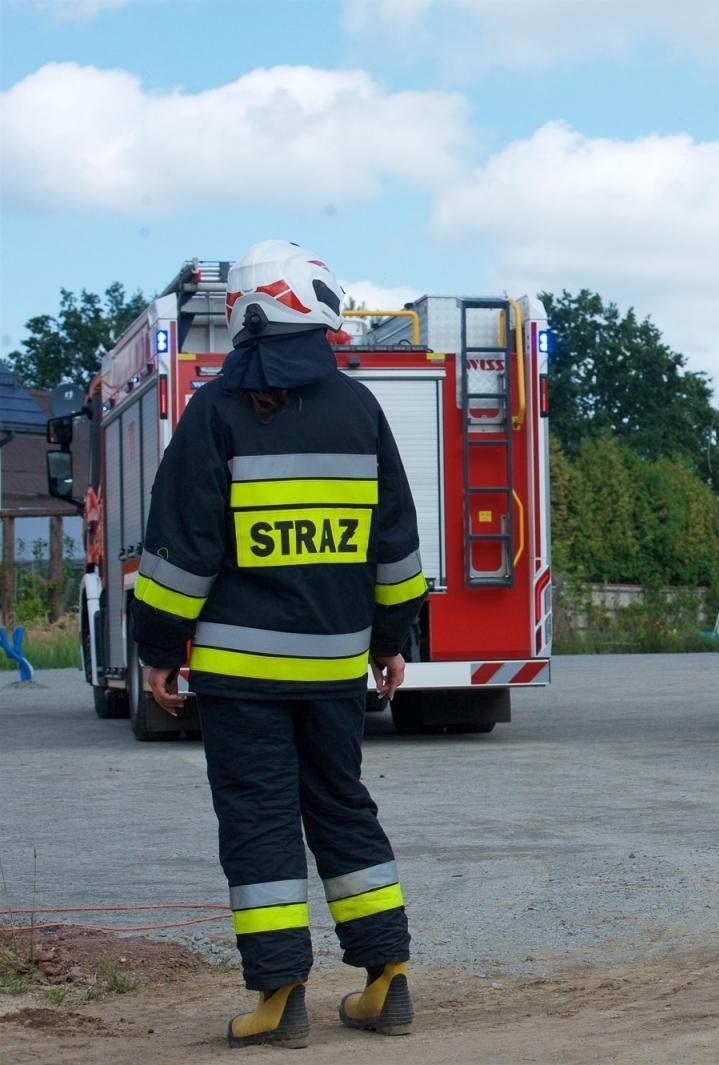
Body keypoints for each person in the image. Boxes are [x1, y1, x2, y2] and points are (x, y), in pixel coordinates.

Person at [130, 240, 429, 1049]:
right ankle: (386, 979)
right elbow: (395, 546)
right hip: (335, 668)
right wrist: (393, 638)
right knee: (342, 808)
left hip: (239, 676)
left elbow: (179, 551)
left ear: (247, 312)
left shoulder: (215, 413)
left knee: (261, 823)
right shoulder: (360, 411)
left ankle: (280, 1000)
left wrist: (158, 647)